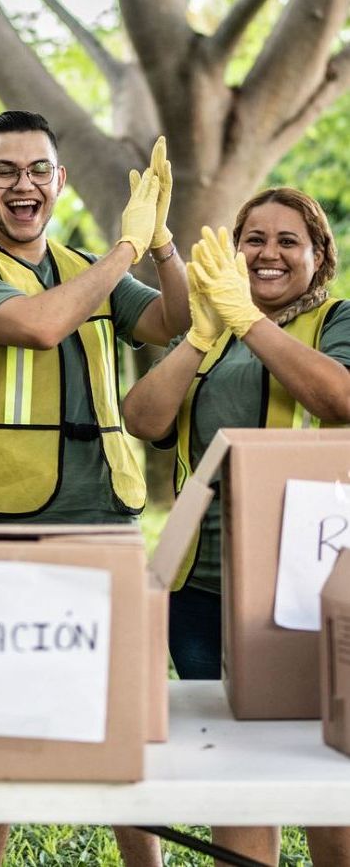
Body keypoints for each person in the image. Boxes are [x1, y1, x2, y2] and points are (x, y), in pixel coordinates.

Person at [0, 111, 190, 866]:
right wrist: (127, 249)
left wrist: (163, 242)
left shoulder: (87, 263)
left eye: (38, 169)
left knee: (117, 711)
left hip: (103, 519)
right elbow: (41, 325)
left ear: (59, 180)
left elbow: (169, 319)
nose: (23, 186)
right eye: (4, 171)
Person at [122, 188, 350, 866]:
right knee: (239, 780)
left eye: (289, 241)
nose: (269, 253)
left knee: (323, 766)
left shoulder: (337, 319)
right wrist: (201, 333)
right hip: (205, 589)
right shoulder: (213, 332)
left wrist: (247, 319)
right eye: (254, 239)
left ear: (318, 256)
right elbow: (145, 419)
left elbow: (337, 397)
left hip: (310, 589)